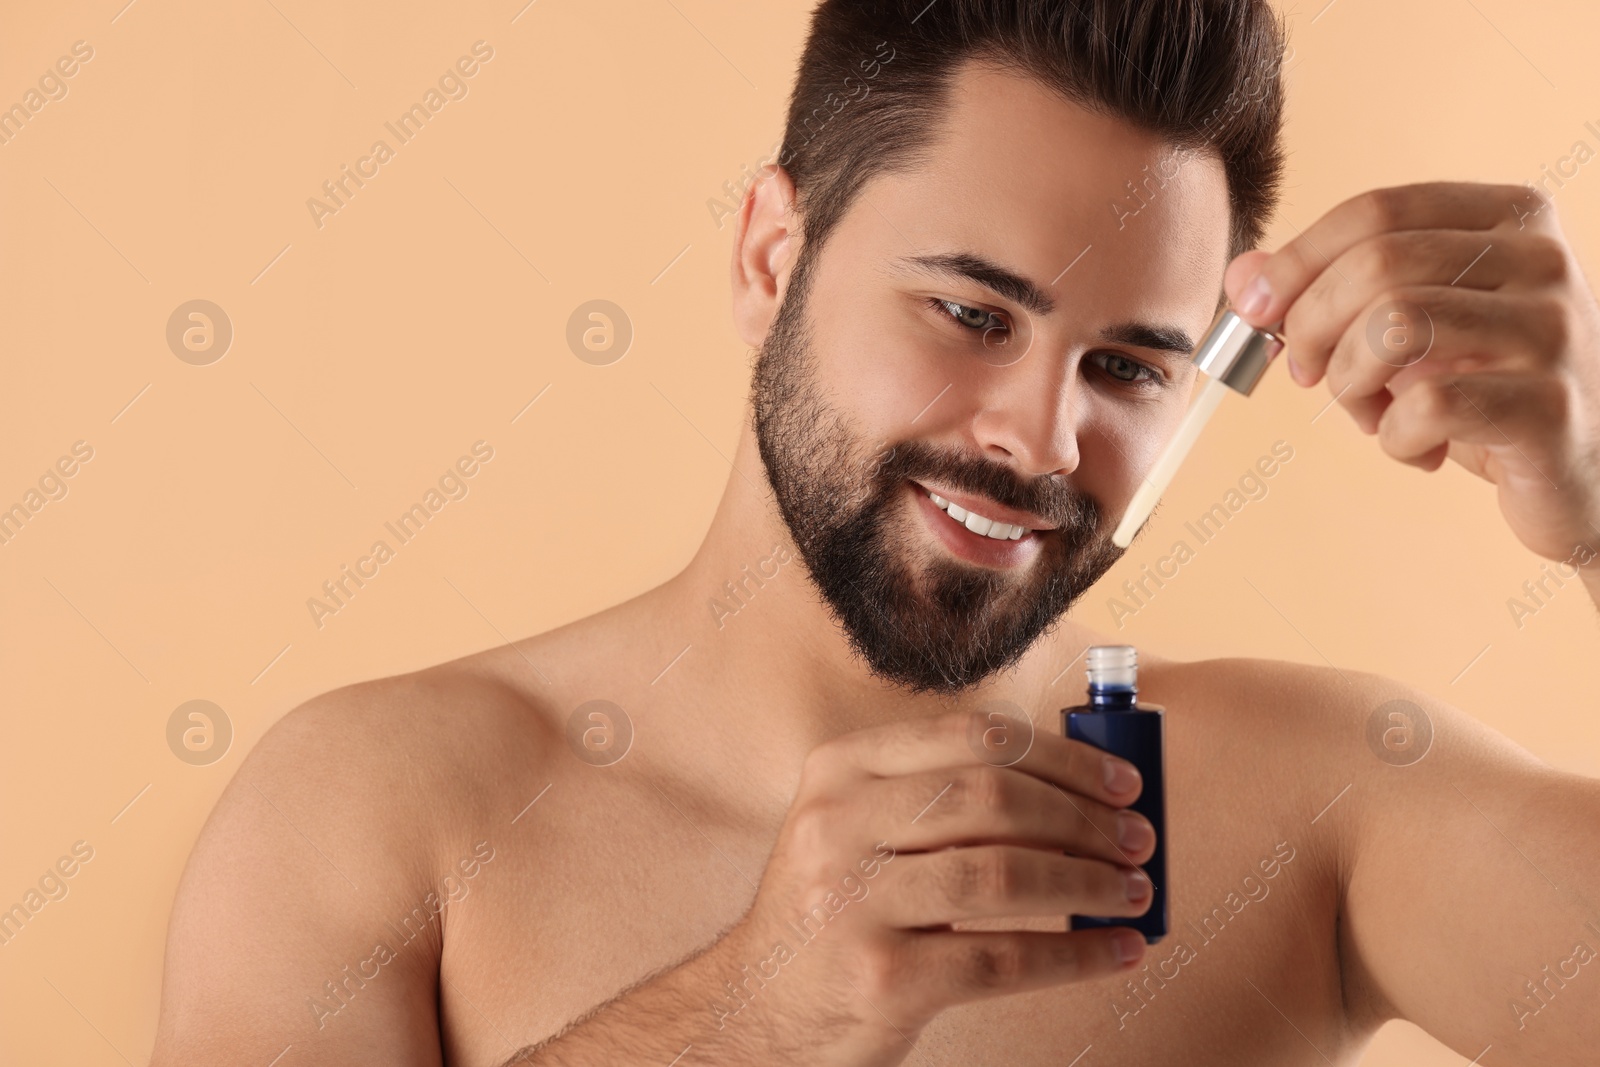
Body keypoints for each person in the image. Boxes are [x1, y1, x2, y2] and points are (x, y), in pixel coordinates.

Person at [148, 1, 1600, 1064]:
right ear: (772, 257)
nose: (1041, 440)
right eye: (973, 314)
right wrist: (756, 1017)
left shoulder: (1323, 806)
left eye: (1130, 368)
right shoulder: (375, 816)